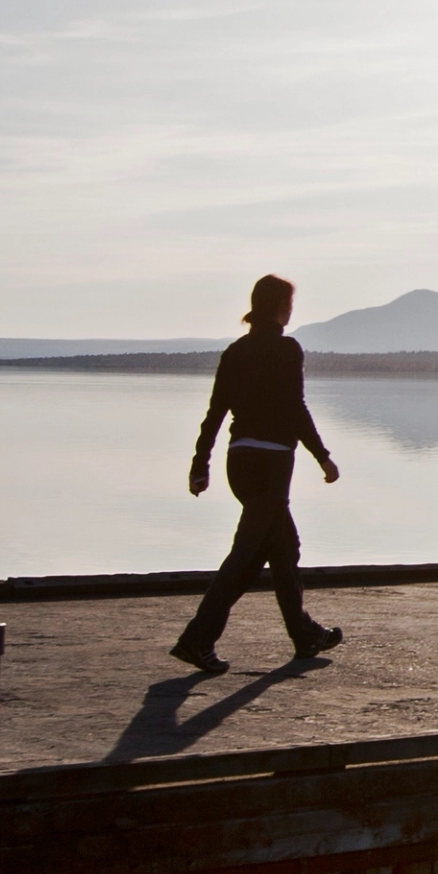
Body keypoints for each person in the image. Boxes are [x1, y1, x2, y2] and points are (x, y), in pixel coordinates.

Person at [172, 273, 345, 675]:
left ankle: (305, 637)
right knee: (247, 554)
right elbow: (295, 409)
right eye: (289, 303)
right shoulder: (287, 349)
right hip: (272, 464)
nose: (291, 310)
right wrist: (323, 457)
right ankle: (196, 640)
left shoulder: (235, 352)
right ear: (280, 307)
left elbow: (215, 413)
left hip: (239, 462)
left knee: (283, 547)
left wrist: (201, 465)